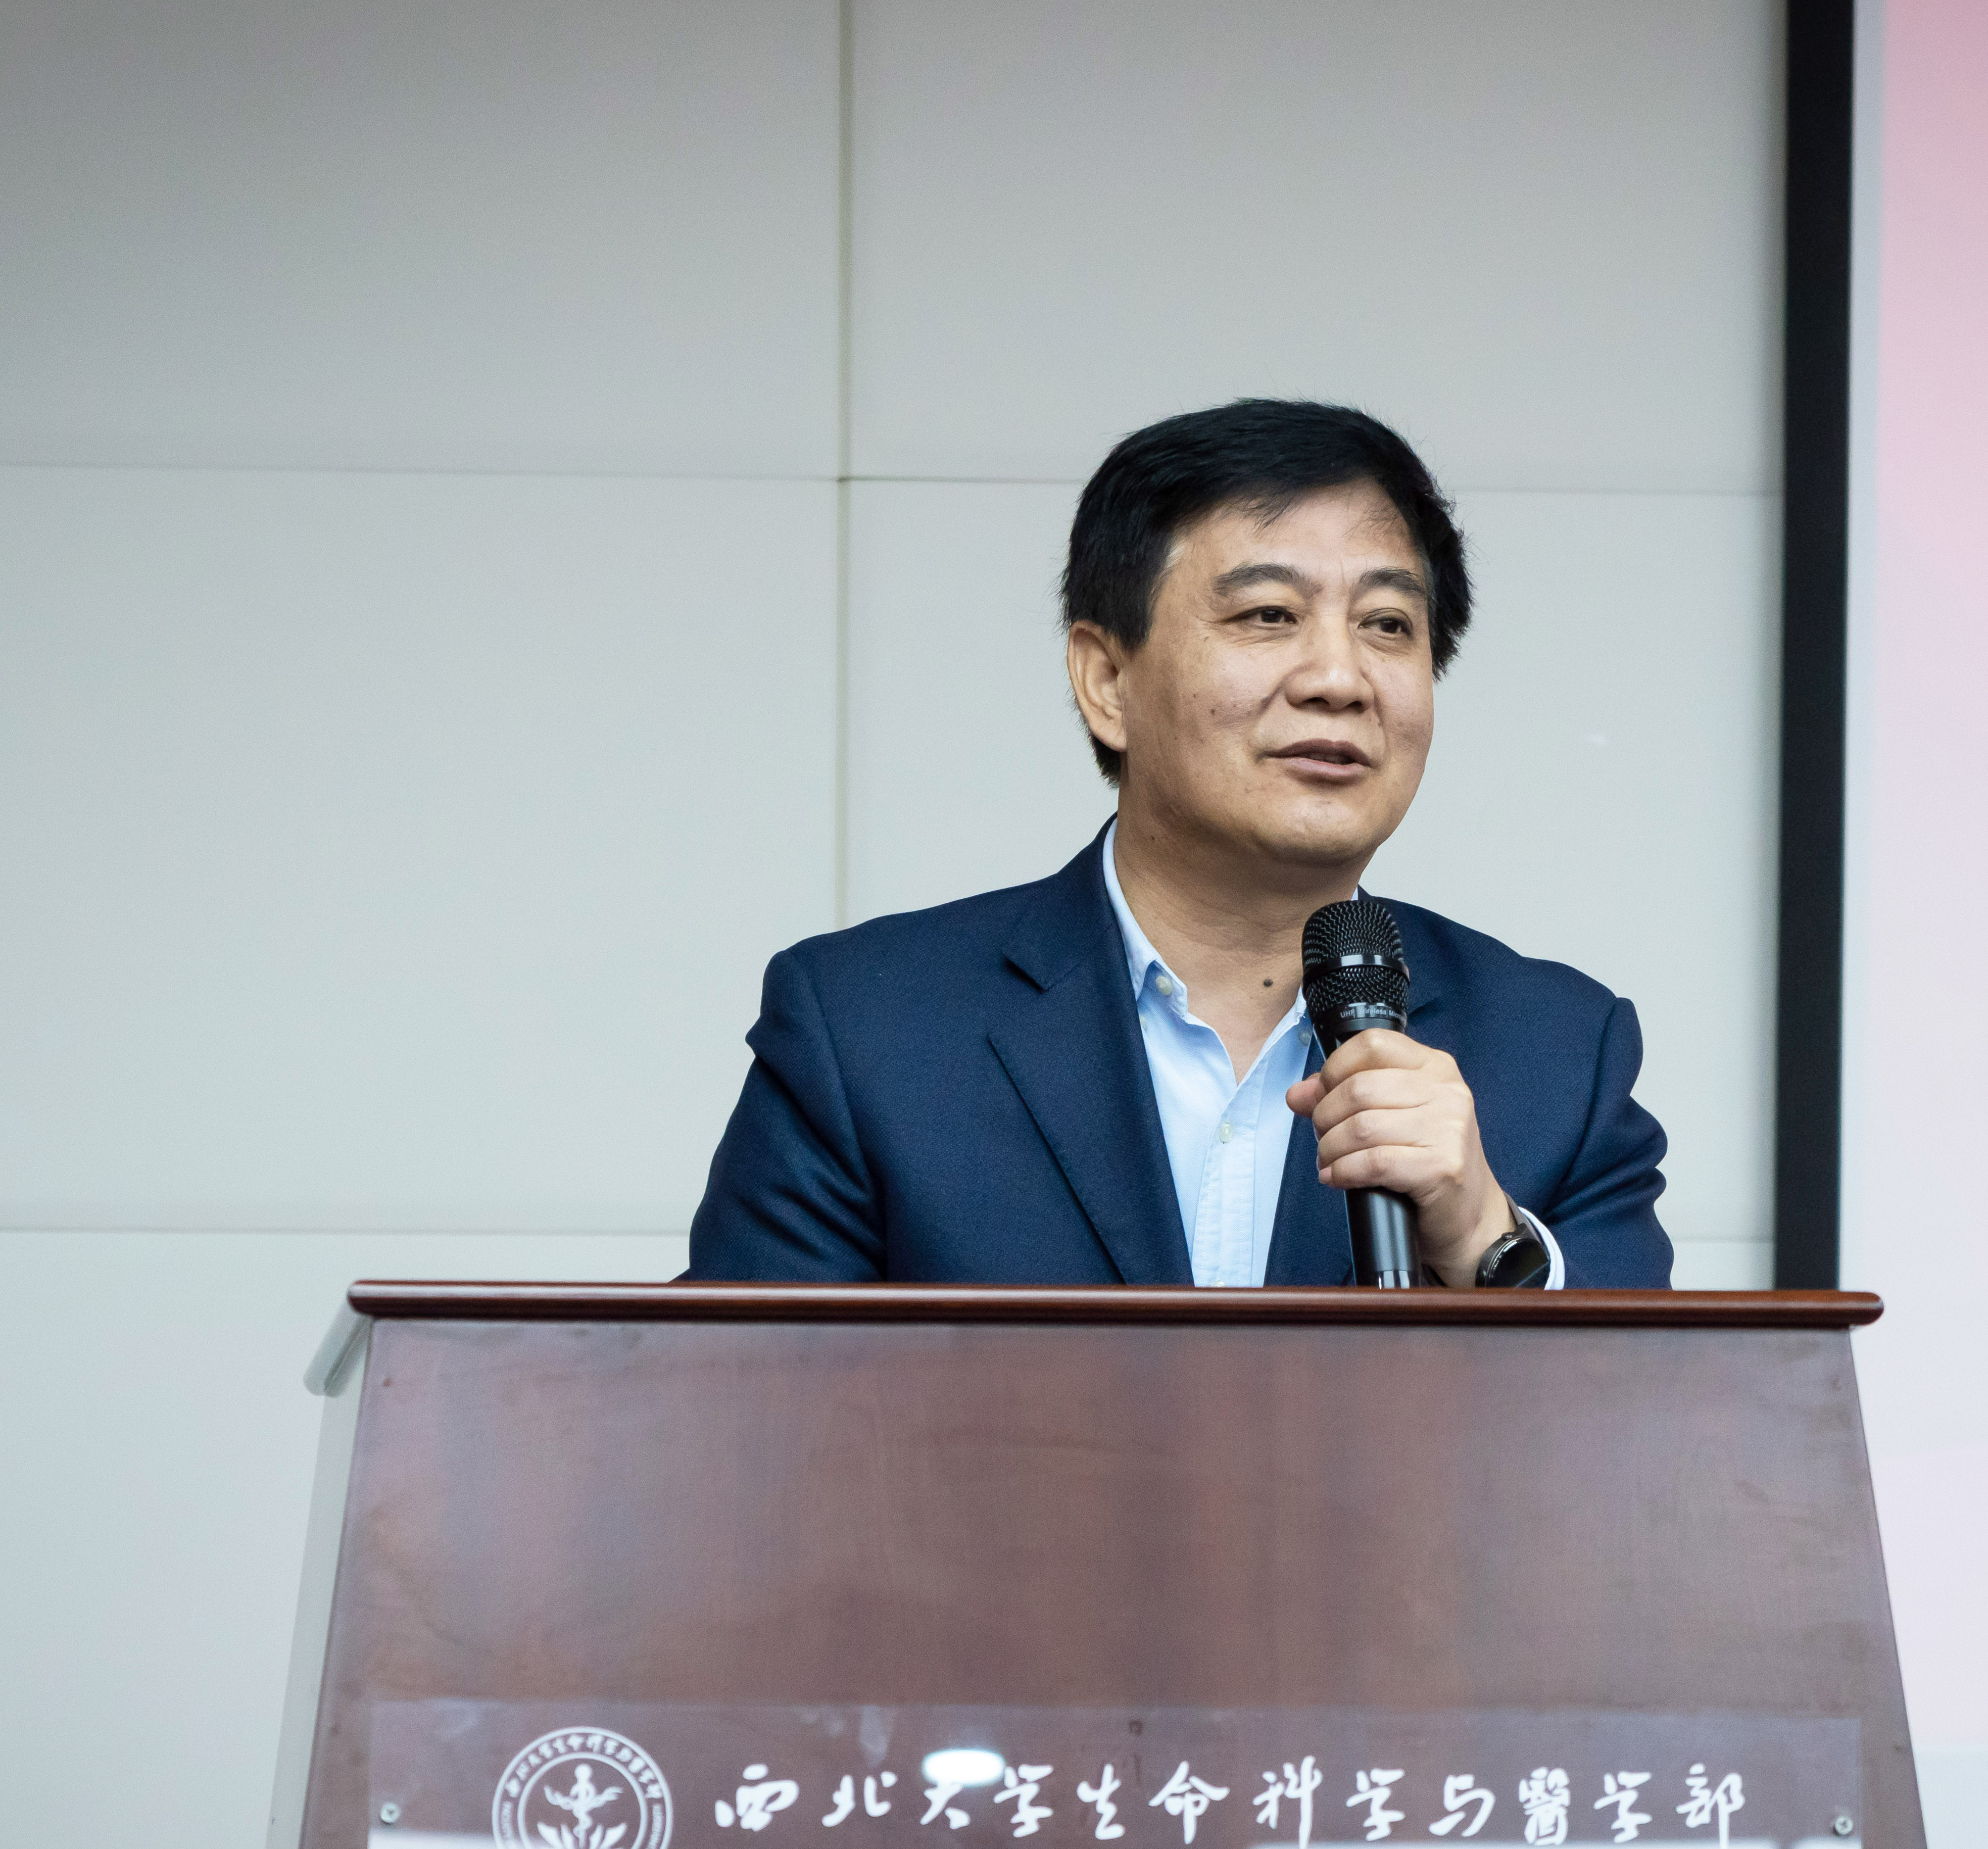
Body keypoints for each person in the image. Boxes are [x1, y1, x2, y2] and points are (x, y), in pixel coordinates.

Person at [688, 399, 1670, 1287]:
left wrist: (1488, 1245)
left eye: (1386, 624)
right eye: (1269, 615)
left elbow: (1654, 1416)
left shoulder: (1561, 1056)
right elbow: (740, 1409)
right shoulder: (868, 1032)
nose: (1340, 678)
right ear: (1107, 681)